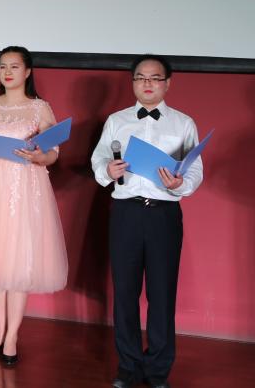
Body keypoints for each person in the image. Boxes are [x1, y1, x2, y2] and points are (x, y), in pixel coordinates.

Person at [90, 55, 204, 388]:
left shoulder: (183, 123)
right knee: (125, 293)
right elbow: (99, 158)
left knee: (162, 294)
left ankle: (157, 370)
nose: (147, 84)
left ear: (168, 83)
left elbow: (195, 170)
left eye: (155, 78)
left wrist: (179, 183)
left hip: (163, 216)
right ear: (133, 83)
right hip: (126, 212)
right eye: (140, 78)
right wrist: (107, 170)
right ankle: (128, 366)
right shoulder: (117, 121)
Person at [0, 46, 68, 367]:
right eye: (3, 66)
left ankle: (12, 336)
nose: (7, 72)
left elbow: (53, 152)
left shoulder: (39, 107)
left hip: (24, 188)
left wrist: (40, 156)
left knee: (19, 262)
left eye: (14, 66)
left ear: (28, 71)